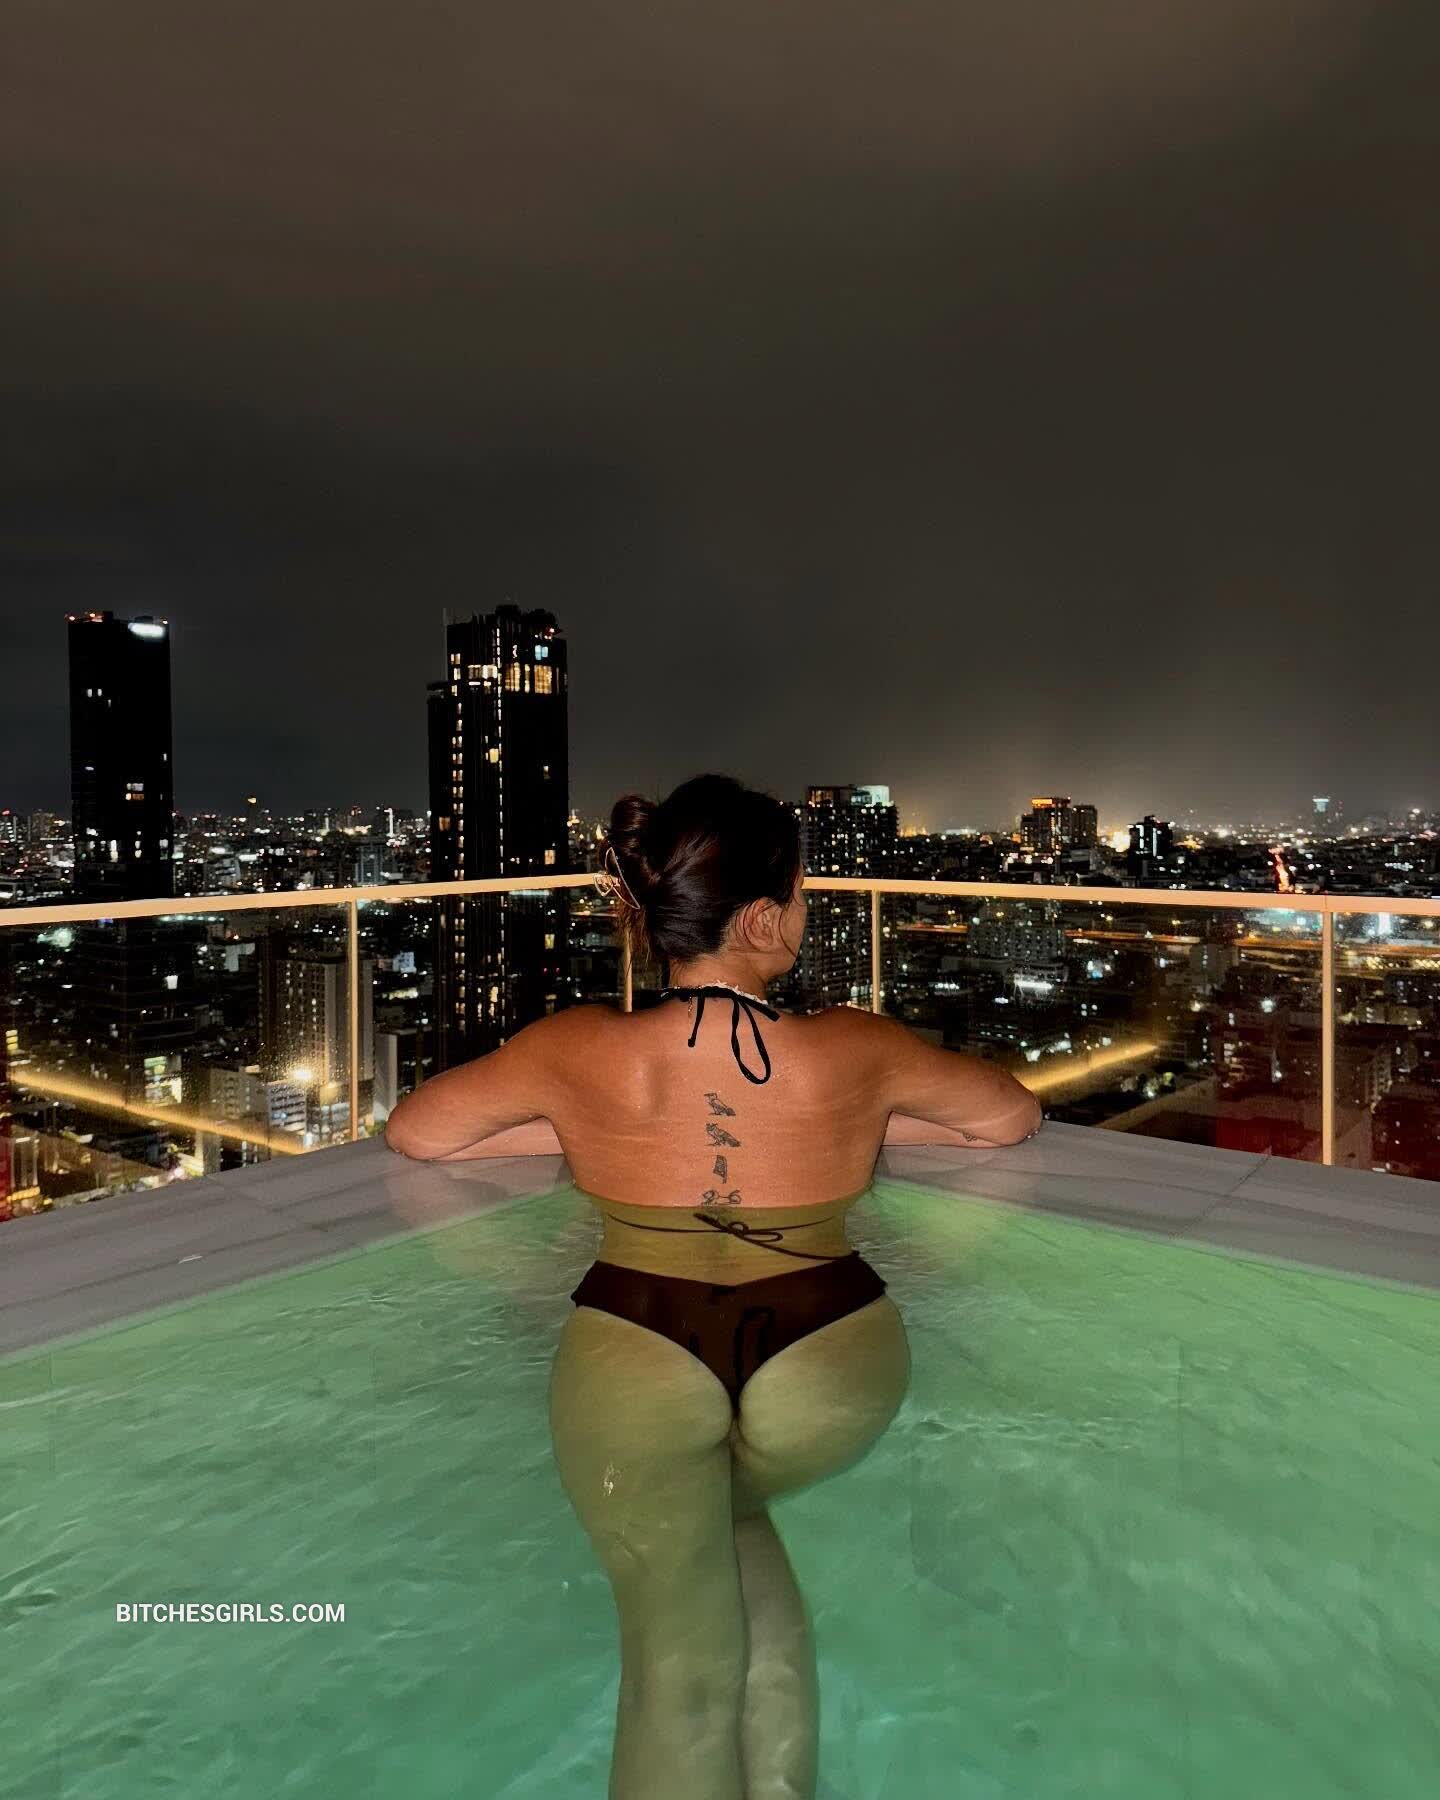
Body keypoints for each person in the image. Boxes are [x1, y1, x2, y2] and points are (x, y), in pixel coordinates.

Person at [386, 773, 1042, 1800]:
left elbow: (420, 1134)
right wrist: (859, 1121)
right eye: (804, 892)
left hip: (636, 1341)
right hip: (832, 1347)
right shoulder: (855, 1049)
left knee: (675, 1673)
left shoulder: (577, 1050)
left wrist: (585, 1131)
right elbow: (1007, 1119)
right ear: (766, 919)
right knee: (731, 1524)